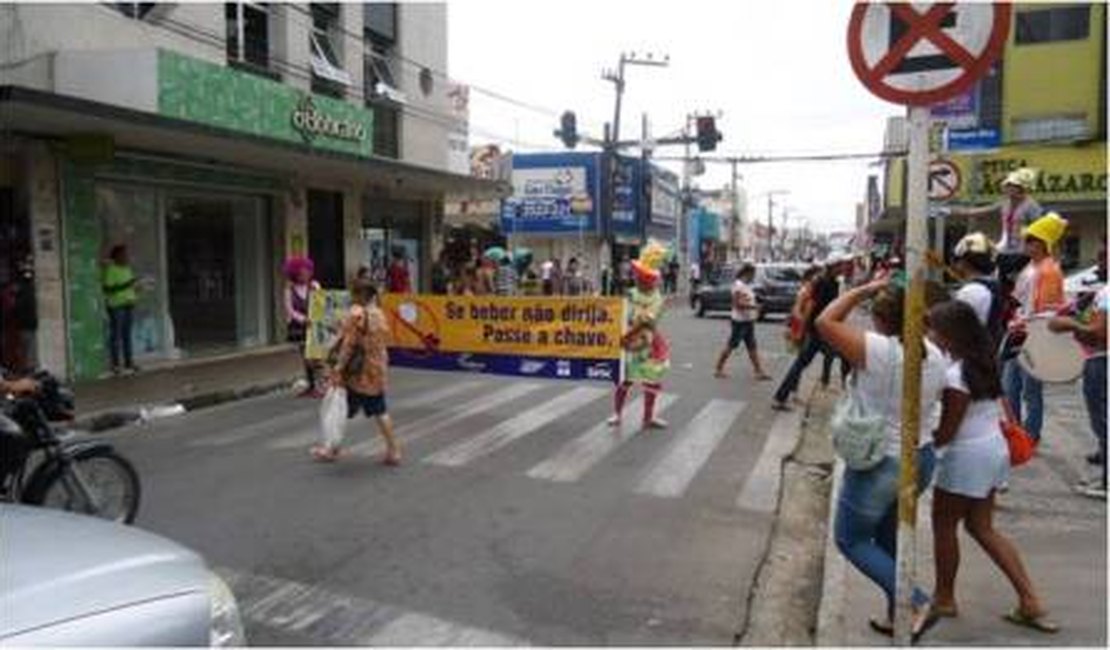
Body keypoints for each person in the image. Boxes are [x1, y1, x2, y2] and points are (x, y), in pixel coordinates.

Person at [816, 275, 950, 639]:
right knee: (892, 538)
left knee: (851, 539)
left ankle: (918, 602)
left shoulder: (880, 350)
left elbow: (824, 321)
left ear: (881, 320)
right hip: (920, 458)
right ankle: (899, 617)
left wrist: (864, 287)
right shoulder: (934, 352)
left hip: (883, 463)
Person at [926, 300, 1059, 632]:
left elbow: (948, 430)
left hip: (966, 456)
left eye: (934, 329)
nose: (930, 335)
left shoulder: (957, 374)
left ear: (949, 335)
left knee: (944, 526)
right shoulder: (982, 363)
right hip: (991, 450)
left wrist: (923, 449)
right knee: (981, 527)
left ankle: (944, 597)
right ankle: (1030, 599)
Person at [312, 279, 400, 466]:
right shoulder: (378, 313)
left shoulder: (357, 315)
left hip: (358, 372)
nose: (351, 297)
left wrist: (337, 368)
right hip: (376, 368)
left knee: (340, 407)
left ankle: (332, 449)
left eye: (353, 294)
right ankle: (393, 451)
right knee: (377, 410)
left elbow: (348, 346)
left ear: (360, 295)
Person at [1049, 246, 1107, 499]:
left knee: (1103, 421)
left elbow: (1102, 334)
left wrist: (1072, 324)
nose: (1099, 263)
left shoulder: (1106, 294)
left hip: (1101, 361)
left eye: (1105, 257)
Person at [1005, 212, 1067, 442]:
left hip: (1035, 337)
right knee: (1011, 387)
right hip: (1019, 333)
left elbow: (1049, 311)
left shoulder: (1049, 271)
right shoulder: (1030, 267)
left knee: (1030, 391)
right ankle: (1017, 432)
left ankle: (1030, 435)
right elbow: (1019, 300)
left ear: (1042, 244)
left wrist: (1024, 321)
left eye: (1031, 240)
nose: (1026, 244)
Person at [608, 241, 671, 430]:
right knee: (624, 379)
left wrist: (628, 336)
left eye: (641, 276)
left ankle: (648, 417)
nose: (637, 278)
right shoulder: (630, 293)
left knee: (651, 380)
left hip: (647, 343)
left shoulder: (658, 298)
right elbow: (620, 313)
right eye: (637, 275)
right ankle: (617, 414)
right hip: (629, 341)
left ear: (649, 279)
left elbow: (648, 322)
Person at [947, 167, 1043, 281]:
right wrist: (952, 211)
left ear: (1020, 188)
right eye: (1007, 185)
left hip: (1023, 252)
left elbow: (1039, 232)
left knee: (1018, 282)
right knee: (1000, 280)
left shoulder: (1031, 206)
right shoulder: (1005, 202)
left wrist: (1035, 253)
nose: (1007, 188)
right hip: (1004, 250)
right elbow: (982, 211)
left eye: (1011, 186)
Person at [771, 264, 840, 410]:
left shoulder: (832, 283)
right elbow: (806, 308)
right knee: (802, 362)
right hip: (815, 331)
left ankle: (787, 394)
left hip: (822, 330)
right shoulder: (820, 283)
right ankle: (782, 396)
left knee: (809, 360)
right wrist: (801, 330)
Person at [714, 263, 771, 380]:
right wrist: (754, 307)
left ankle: (759, 371)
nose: (753, 277)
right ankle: (718, 368)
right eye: (753, 275)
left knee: (752, 346)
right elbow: (737, 305)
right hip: (740, 322)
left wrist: (755, 305)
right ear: (747, 273)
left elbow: (747, 300)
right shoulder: (738, 286)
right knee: (731, 345)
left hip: (747, 321)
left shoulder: (745, 285)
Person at [950, 233, 1006, 347]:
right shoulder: (993, 285)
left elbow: (957, 330)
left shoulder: (970, 291)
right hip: (988, 351)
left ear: (964, 262)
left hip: (972, 354)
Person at [284, 256, 322, 398]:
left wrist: (315, 291)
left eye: (307, 271)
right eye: (301, 272)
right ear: (294, 274)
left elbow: (321, 302)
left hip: (314, 326)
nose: (305, 274)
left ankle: (318, 385)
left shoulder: (315, 285)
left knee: (314, 356)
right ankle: (312, 385)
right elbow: (289, 309)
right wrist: (303, 319)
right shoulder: (289, 289)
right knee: (306, 356)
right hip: (299, 327)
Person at [102, 244, 140, 375]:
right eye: (124, 254)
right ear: (116, 256)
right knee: (116, 336)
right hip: (116, 306)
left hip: (128, 304)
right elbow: (108, 289)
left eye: (127, 254)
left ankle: (129, 362)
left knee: (127, 335)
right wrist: (127, 285)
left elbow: (130, 286)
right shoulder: (111, 270)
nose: (126, 256)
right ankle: (115, 364)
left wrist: (137, 288)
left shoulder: (127, 269)